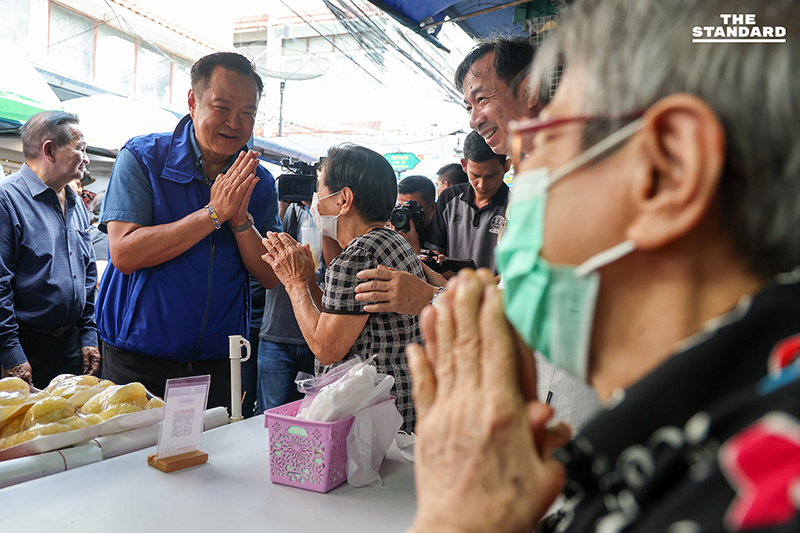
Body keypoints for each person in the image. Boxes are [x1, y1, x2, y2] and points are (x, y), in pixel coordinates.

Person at [406, 0, 800, 531]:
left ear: (666, 171)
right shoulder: (675, 448)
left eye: (542, 145)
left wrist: (459, 521)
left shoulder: (756, 489)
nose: (524, 178)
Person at [97, 52, 280, 410]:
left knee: (212, 463)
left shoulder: (259, 181)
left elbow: (272, 275)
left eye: (248, 113)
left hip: (220, 364)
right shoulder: (143, 157)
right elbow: (124, 253)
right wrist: (213, 214)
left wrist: (241, 222)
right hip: (138, 358)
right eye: (222, 107)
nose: (234, 123)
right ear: (193, 102)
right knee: (129, 465)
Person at [262, 144, 422, 431]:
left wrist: (295, 284)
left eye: (320, 190)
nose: (316, 201)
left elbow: (327, 347)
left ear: (344, 199)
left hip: (370, 421)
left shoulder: (357, 256)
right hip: (398, 409)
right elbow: (341, 316)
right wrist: (309, 280)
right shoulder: (392, 242)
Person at [0, 111, 100, 388]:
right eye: (80, 149)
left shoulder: (75, 201)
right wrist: (10, 352)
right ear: (50, 150)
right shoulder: (6, 200)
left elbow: (87, 272)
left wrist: (88, 336)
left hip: (70, 344)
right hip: (26, 346)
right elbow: (0, 284)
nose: (87, 158)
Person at [257, 201, 318, 412]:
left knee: (315, 417)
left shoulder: (335, 213)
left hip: (318, 337)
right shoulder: (284, 207)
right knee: (269, 420)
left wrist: (317, 209)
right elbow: (267, 249)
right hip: (277, 333)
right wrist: (281, 204)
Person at [425, 130, 510, 273]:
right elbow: (434, 248)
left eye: (490, 176)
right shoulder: (448, 199)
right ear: (464, 165)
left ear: (506, 167)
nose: (482, 185)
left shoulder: (515, 207)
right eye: (475, 176)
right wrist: (438, 260)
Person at [455, 37, 540, 156]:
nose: (473, 122)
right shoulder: (535, 168)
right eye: (469, 108)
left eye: (481, 99)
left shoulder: (572, 158)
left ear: (529, 91)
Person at [393, 175, 437, 254]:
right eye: (401, 207)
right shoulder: (394, 227)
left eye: (412, 207)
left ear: (432, 207)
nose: (405, 214)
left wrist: (414, 248)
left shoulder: (444, 233)